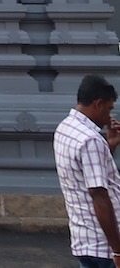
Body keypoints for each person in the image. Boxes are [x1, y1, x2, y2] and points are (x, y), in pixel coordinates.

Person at [54, 73, 120, 267]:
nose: (109, 116)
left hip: (83, 238)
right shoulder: (90, 140)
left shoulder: (64, 128)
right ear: (98, 104)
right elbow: (99, 195)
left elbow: (86, 172)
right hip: (103, 246)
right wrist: (117, 250)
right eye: (108, 109)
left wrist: (111, 144)